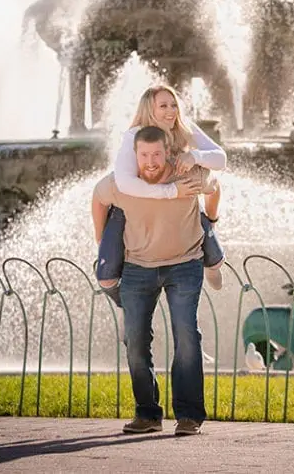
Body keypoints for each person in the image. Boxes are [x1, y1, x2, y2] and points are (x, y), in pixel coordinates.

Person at [91, 125, 213, 436]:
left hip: (184, 265)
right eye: (144, 155)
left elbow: (215, 186)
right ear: (135, 155)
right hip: (137, 267)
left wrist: (211, 220)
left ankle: (189, 416)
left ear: (167, 152)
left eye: (156, 154)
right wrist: (101, 238)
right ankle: (147, 414)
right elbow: (97, 196)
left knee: (187, 337)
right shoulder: (122, 183)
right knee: (134, 342)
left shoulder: (186, 173)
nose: (151, 161)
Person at [95, 84, 227, 306]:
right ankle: (125, 304)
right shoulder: (135, 135)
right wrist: (171, 192)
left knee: (195, 201)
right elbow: (125, 183)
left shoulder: (183, 127)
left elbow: (220, 159)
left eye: (174, 105)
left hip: (177, 200)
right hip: (134, 205)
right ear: (149, 110)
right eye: (163, 106)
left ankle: (213, 263)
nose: (171, 111)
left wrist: (194, 156)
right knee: (106, 275)